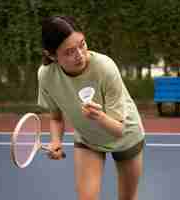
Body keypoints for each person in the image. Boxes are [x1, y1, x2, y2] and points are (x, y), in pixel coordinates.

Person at [38, 15, 145, 200]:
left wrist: (100, 117)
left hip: (126, 135)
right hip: (88, 139)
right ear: (52, 55)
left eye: (82, 44)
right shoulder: (46, 76)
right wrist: (56, 141)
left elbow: (119, 129)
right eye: (69, 52)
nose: (79, 54)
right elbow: (55, 117)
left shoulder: (105, 67)